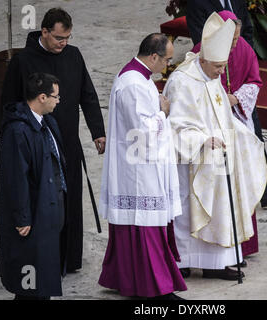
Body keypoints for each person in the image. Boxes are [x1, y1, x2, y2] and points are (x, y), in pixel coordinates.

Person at [1, 8, 106, 273]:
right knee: (43, 202)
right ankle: (44, 262)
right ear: (44, 32)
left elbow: (88, 94)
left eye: (68, 37)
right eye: (59, 37)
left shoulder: (73, 55)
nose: (64, 43)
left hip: (68, 141)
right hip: (35, 143)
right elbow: (8, 105)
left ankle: (69, 259)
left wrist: (97, 131)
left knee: (69, 201)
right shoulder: (22, 62)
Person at [164, 12, 267, 281]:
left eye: (223, 67)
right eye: (219, 67)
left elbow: (223, 117)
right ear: (204, 58)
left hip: (220, 157)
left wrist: (243, 139)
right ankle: (184, 261)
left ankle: (216, 263)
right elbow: (175, 127)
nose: (222, 72)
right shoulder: (182, 81)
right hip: (193, 161)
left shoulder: (211, 76)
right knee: (190, 213)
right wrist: (202, 141)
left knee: (222, 208)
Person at [97, 33, 187, 300]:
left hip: (140, 165)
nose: (168, 65)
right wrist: (163, 112)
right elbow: (143, 133)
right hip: (138, 169)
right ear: (154, 56)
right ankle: (156, 288)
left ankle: (123, 278)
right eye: (167, 60)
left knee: (135, 228)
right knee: (145, 226)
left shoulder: (140, 76)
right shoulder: (133, 84)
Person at [191, 11, 267, 209]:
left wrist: (236, 98)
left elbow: (254, 81)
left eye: (237, 37)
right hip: (212, 117)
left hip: (239, 112)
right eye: (232, 38)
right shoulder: (203, 51)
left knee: (252, 149)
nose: (235, 42)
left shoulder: (244, 48)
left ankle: (263, 189)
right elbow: (194, 84)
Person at [0, 72, 67, 300]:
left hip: (50, 207)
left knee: (43, 271)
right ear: (42, 97)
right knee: (31, 277)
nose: (59, 101)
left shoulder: (48, 122)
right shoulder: (18, 130)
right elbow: (16, 178)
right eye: (56, 96)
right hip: (35, 212)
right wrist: (22, 216)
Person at [186, 0, 254, 47]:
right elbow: (201, 41)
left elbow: (247, 29)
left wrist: (246, 54)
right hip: (215, 62)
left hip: (243, 55)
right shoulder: (196, 2)